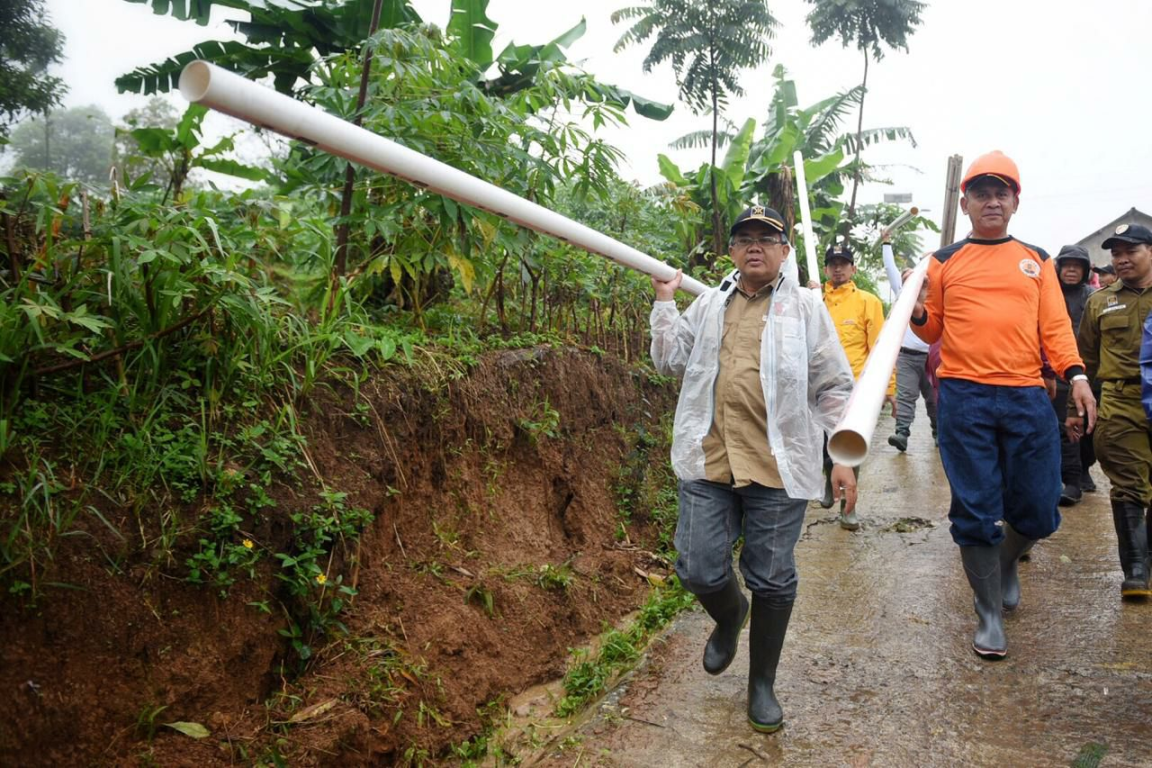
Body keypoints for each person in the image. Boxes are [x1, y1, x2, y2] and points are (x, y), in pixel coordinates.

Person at [650, 205, 855, 733]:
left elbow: (834, 385)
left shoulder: (807, 307)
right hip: (709, 459)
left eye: (767, 238)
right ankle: (728, 615)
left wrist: (843, 457)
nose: (754, 246)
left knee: (772, 579)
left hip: (778, 467)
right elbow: (670, 362)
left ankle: (761, 682)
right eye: (744, 239)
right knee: (697, 567)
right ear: (734, 251)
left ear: (784, 249)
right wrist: (665, 300)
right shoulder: (710, 303)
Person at [909, 151, 1095, 659]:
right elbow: (932, 329)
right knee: (974, 508)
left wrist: (1075, 374)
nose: (992, 200)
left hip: (1026, 395)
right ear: (965, 202)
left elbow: (1055, 328)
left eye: (1002, 192)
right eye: (982, 193)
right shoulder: (943, 260)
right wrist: (921, 310)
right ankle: (988, 611)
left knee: (1038, 508)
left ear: (1015, 201)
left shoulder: (1037, 259)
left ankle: (1008, 560)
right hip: (964, 396)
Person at [1068, 223, 1152, 599]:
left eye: (1129, 251)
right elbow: (1084, 359)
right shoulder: (1100, 302)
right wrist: (1075, 408)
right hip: (1122, 401)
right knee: (1129, 483)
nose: (1120, 259)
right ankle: (1135, 570)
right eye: (1115, 253)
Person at [817, 243, 897, 529]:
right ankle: (829, 479)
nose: (838, 268)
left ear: (853, 269)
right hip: (817, 386)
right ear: (825, 269)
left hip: (855, 388)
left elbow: (880, 347)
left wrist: (889, 387)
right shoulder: (814, 300)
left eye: (843, 263)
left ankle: (847, 506)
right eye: (832, 263)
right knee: (824, 443)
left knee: (850, 446)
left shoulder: (868, 301)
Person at [882, 229, 938, 452]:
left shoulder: (943, 294)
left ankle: (938, 431)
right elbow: (891, 269)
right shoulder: (905, 290)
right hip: (908, 356)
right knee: (906, 396)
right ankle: (902, 432)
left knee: (934, 399)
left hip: (931, 358)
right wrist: (886, 243)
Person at [1051, 245, 1098, 505]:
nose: (1071, 270)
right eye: (1066, 265)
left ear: (1085, 270)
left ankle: (1083, 468)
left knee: (1091, 432)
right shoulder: (1047, 294)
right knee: (1064, 428)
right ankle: (1071, 480)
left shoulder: (1094, 297)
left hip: (1089, 373)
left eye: (1077, 266)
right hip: (1057, 372)